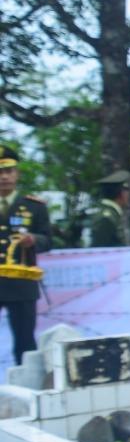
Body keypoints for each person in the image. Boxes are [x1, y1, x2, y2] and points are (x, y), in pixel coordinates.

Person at [0, 146, 51, 364]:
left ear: (17, 173)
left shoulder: (34, 206)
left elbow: (48, 240)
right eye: (0, 172)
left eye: (9, 171)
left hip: (21, 283)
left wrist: (33, 240)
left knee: (25, 344)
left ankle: (25, 391)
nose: (4, 176)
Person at [90, 170, 130, 247]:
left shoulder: (111, 213)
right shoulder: (107, 217)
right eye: (127, 191)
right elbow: (99, 251)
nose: (129, 195)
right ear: (121, 193)